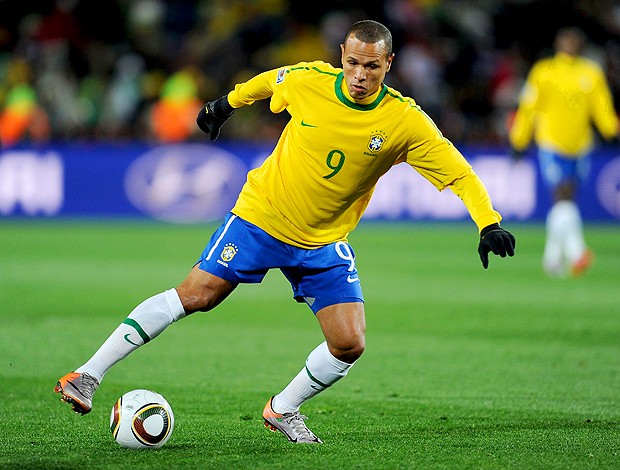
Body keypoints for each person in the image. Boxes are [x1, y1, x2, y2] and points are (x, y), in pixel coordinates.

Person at [54, 20, 515, 444]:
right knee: (198, 294)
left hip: (323, 241)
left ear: (388, 64)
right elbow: (268, 79)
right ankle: (88, 374)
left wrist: (487, 220)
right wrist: (225, 104)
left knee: (349, 343)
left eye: (371, 66)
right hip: (263, 216)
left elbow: (459, 173)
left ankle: (283, 408)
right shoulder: (309, 81)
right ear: (342, 55)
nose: (359, 74)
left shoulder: (404, 121)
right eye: (352, 62)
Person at [509, 27, 619, 277]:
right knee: (563, 195)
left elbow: (602, 106)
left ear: (580, 46)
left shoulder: (591, 74)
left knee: (565, 202)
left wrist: (610, 129)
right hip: (552, 143)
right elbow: (529, 108)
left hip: (581, 145)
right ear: (559, 45)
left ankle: (552, 258)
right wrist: (519, 139)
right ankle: (577, 252)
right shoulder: (544, 72)